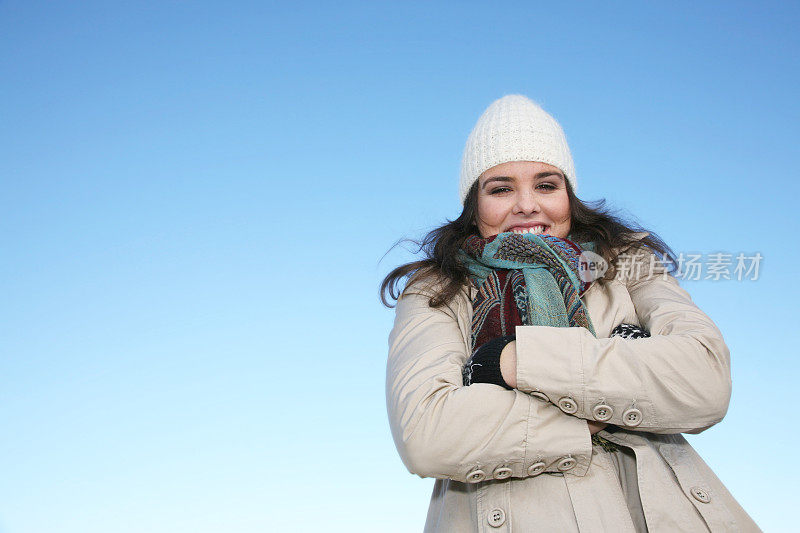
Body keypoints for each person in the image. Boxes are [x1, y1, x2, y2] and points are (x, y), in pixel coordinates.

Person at [381, 95, 760, 532]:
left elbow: (704, 380)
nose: (527, 204)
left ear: (568, 195)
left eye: (546, 185)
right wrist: (608, 394)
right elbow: (428, 433)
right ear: (474, 205)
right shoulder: (439, 288)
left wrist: (511, 361)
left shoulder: (627, 264)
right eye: (501, 188)